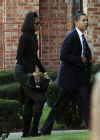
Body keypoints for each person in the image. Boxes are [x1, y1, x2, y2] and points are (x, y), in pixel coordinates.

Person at [40, 12, 93, 135]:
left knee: (85, 105)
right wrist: (80, 60)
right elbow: (63, 55)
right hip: (69, 80)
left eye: (87, 20)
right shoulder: (71, 36)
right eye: (84, 20)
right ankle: (45, 129)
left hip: (80, 81)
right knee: (59, 106)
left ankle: (93, 129)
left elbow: (86, 58)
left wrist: (87, 63)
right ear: (76, 22)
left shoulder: (82, 37)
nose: (86, 23)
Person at [14, 11, 47, 137]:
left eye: (39, 23)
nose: (39, 25)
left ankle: (26, 133)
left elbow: (35, 58)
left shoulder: (34, 37)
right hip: (21, 72)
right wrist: (31, 73)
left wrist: (44, 72)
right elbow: (20, 57)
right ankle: (32, 131)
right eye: (37, 23)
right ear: (30, 23)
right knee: (40, 98)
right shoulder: (24, 37)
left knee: (29, 101)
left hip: (29, 72)